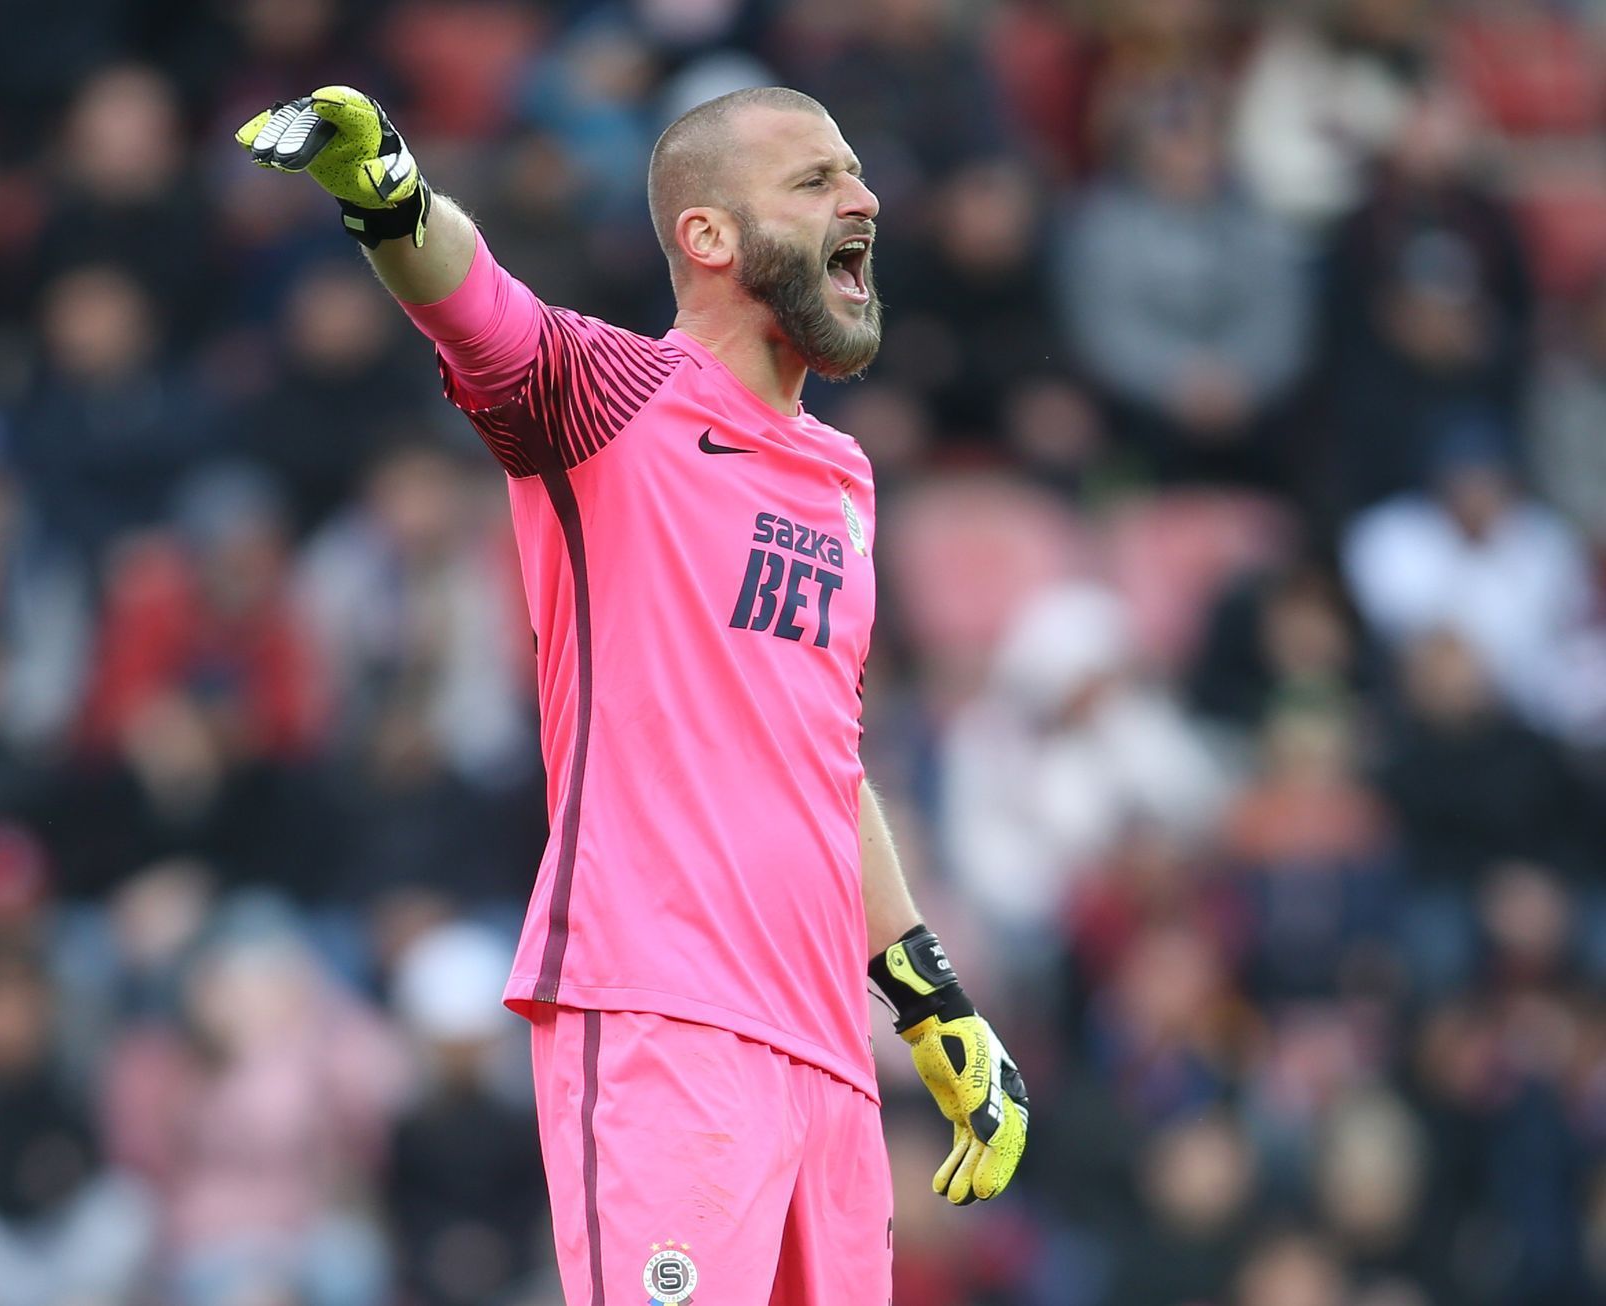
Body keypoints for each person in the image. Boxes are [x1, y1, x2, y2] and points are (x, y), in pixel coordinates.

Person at [236, 84, 1029, 1304]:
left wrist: (928, 1002)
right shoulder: (616, 401)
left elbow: (823, 754)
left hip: (825, 1055)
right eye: (814, 181)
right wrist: (391, 197)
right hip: (666, 1015)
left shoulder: (843, 479)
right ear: (709, 237)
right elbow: (479, 310)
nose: (862, 198)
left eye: (856, 174)